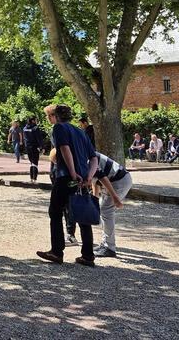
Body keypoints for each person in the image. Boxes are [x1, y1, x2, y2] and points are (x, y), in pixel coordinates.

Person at [36, 104, 98, 267]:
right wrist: (89, 177)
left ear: (55, 116)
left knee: (55, 211)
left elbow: (64, 149)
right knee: (83, 213)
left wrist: (72, 172)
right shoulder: (80, 131)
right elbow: (94, 158)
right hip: (83, 178)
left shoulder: (58, 128)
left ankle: (57, 251)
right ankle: (88, 255)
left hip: (66, 177)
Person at [92, 151, 133, 258]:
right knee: (103, 210)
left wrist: (115, 197)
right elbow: (95, 181)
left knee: (106, 211)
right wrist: (94, 199)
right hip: (117, 179)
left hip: (118, 181)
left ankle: (109, 248)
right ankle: (106, 244)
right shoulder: (86, 152)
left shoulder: (84, 157)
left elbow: (102, 177)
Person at [23, 117, 42, 182]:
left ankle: (31, 178)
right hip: (34, 147)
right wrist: (41, 147)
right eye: (36, 120)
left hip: (28, 147)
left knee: (32, 163)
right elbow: (39, 138)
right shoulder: (35, 128)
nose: (37, 121)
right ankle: (34, 178)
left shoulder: (25, 128)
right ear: (33, 121)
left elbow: (24, 139)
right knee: (35, 163)